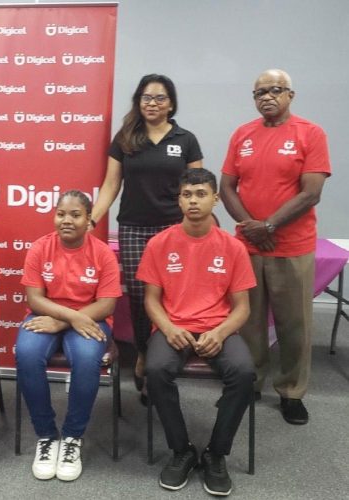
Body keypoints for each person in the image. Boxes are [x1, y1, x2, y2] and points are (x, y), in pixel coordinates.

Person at [220, 69, 331, 425]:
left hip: (292, 247)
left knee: (293, 324)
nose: (266, 97)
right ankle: (249, 381)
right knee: (248, 321)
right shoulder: (242, 134)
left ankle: (291, 392)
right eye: (259, 93)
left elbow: (311, 192)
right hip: (249, 247)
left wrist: (270, 225)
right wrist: (253, 229)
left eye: (274, 90)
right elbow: (227, 188)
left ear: (290, 95)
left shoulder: (310, 133)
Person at [137, 168, 256, 496]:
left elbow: (242, 307)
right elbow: (151, 300)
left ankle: (216, 454)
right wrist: (169, 327)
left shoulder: (233, 247)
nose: (193, 201)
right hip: (173, 327)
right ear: (179, 200)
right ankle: (182, 451)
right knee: (157, 369)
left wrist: (219, 332)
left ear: (215, 198)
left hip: (219, 327)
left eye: (201, 194)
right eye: (187, 194)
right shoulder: (159, 243)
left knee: (245, 373)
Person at [91, 74, 203, 401]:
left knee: (171, 297)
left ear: (171, 103)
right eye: (146, 98)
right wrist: (93, 217)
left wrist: (202, 224)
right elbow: (111, 185)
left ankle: (162, 361)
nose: (152, 104)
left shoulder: (186, 139)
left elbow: (196, 185)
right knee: (140, 297)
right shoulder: (126, 138)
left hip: (173, 229)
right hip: (134, 228)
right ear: (138, 102)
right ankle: (142, 353)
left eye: (159, 98)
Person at [16, 190, 122, 482]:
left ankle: (73, 438)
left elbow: (107, 304)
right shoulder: (40, 248)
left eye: (75, 214)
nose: (67, 220)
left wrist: (67, 321)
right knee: (25, 354)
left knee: (88, 359)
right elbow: (35, 299)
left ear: (89, 220)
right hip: (48, 315)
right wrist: (69, 317)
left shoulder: (102, 253)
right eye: (61, 214)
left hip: (90, 318)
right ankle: (47, 435)